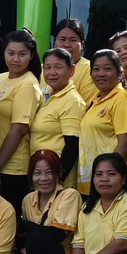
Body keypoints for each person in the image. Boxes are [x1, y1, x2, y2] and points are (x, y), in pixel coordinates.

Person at [8, 150, 81, 254]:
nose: (43, 178)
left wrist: (27, 226)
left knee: (36, 239)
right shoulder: (28, 199)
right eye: (37, 173)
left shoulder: (70, 194)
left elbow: (57, 235)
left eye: (49, 172)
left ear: (59, 173)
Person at [0, 29, 41, 209]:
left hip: (12, 168)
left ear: (31, 56)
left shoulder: (28, 84)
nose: (16, 59)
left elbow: (19, 130)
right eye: (11, 53)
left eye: (22, 54)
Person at [75, 51, 127, 194]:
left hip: (109, 185)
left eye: (107, 69)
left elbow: (126, 143)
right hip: (91, 182)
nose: (100, 74)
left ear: (120, 73)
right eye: (96, 69)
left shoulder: (121, 99)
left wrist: (107, 176)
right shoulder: (95, 100)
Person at [28, 48, 84, 189]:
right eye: (47, 67)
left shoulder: (72, 101)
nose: (51, 72)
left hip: (56, 181)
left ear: (71, 70)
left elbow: (72, 145)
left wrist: (58, 178)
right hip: (42, 177)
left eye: (58, 67)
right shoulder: (47, 96)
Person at [53, 18, 93, 100]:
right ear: (54, 42)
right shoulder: (43, 69)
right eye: (62, 39)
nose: (67, 45)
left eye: (73, 40)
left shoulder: (90, 69)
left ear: (82, 45)